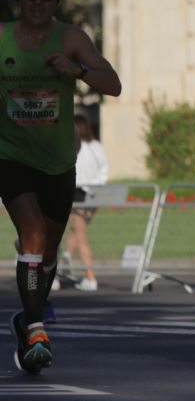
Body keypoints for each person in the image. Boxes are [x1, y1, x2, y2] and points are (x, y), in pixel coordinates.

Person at [0, 0, 122, 375]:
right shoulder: (2, 38)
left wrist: (79, 71)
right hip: (11, 156)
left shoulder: (71, 39)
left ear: (56, 1)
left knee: (48, 251)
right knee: (31, 233)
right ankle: (36, 328)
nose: (38, 3)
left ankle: (27, 318)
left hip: (57, 162)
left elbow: (114, 83)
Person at [67, 114, 109, 292]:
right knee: (76, 230)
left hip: (80, 193)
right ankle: (65, 258)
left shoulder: (79, 148)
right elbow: (104, 169)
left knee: (80, 234)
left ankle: (90, 276)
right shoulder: (97, 146)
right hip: (94, 194)